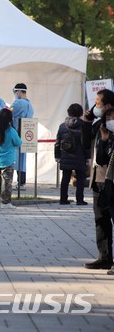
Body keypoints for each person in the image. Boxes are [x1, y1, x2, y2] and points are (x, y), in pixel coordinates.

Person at [82, 99, 114, 272]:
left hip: (111, 179)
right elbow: (86, 144)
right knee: (101, 220)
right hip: (99, 179)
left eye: (100, 102)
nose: (97, 106)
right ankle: (105, 257)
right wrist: (87, 122)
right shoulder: (99, 126)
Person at [55, 103, 89, 206]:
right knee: (80, 178)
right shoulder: (83, 125)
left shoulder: (62, 126)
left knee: (65, 178)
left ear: (68, 112)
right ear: (80, 113)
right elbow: (86, 143)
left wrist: (57, 156)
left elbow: (57, 142)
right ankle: (79, 200)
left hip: (66, 155)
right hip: (80, 156)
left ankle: (63, 199)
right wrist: (88, 157)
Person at [0, 108, 21, 210]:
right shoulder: (11, 131)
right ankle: (6, 203)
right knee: (7, 183)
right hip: (7, 161)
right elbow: (18, 143)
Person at [11, 83, 34, 190]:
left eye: (15, 92)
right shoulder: (30, 104)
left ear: (19, 91)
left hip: (16, 133)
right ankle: (22, 182)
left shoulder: (18, 103)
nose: (15, 94)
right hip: (26, 133)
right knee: (22, 159)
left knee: (14, 158)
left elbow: (8, 112)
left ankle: (17, 182)